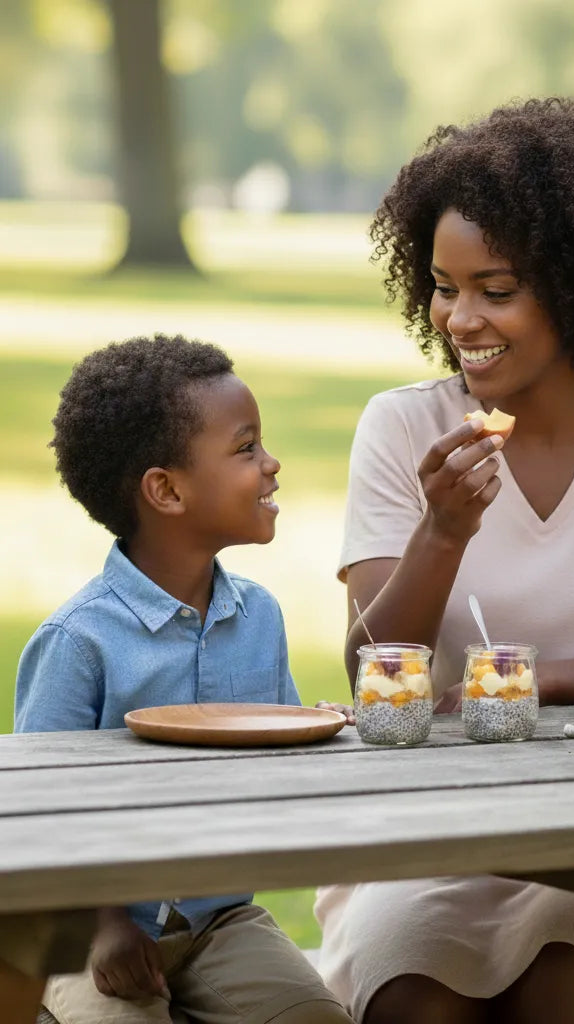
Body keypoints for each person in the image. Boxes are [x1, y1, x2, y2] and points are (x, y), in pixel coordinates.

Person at [314, 98, 574, 1024]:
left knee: (565, 997)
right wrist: (441, 533)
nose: (459, 318)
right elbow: (372, 676)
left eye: (496, 289)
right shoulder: (403, 428)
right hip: (428, 836)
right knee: (413, 1003)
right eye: (443, 285)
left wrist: (513, 685)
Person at [15, 335, 353, 1024]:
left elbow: (277, 764)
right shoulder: (78, 642)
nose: (272, 464)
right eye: (246, 448)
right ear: (165, 490)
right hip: (83, 927)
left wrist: (319, 733)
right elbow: (36, 822)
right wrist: (107, 924)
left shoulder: (258, 616)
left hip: (217, 921)